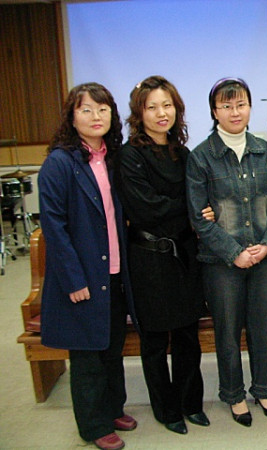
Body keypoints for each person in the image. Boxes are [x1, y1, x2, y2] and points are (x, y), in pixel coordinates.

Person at [38, 82, 138, 450]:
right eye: (86, 110)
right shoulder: (59, 163)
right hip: (83, 276)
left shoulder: (112, 158)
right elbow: (53, 226)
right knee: (87, 355)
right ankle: (94, 425)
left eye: (103, 109)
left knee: (111, 347)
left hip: (114, 271)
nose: (96, 116)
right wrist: (73, 279)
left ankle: (113, 409)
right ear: (72, 116)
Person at [187, 77, 267, 427]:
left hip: (263, 257)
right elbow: (198, 218)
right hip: (221, 263)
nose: (234, 112)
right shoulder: (201, 157)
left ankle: (264, 390)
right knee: (227, 331)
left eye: (240, 104)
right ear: (214, 111)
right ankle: (233, 394)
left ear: (250, 107)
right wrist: (234, 253)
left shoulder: (264, 150)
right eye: (226, 106)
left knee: (262, 328)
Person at [116, 76, 211, 435]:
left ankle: (191, 403)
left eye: (167, 105)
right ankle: (166, 410)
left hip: (185, 256)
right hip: (149, 258)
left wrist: (193, 210)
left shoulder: (183, 154)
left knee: (188, 336)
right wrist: (190, 209)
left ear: (177, 109)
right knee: (156, 341)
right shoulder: (129, 155)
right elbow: (146, 209)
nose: (161, 113)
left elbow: (199, 202)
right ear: (139, 113)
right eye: (152, 106)